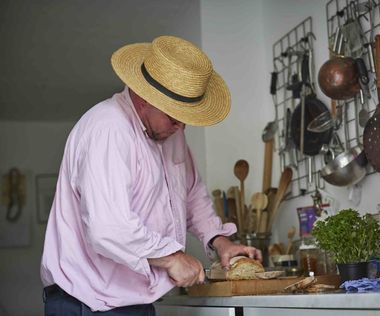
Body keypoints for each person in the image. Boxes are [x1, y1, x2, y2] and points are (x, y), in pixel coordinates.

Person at [40, 35, 262, 315]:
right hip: (88, 302)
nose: (180, 127)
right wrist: (172, 258)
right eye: (173, 117)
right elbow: (109, 228)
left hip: (134, 302)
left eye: (186, 118)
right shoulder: (108, 130)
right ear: (145, 98)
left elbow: (191, 195)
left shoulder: (171, 133)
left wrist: (220, 241)